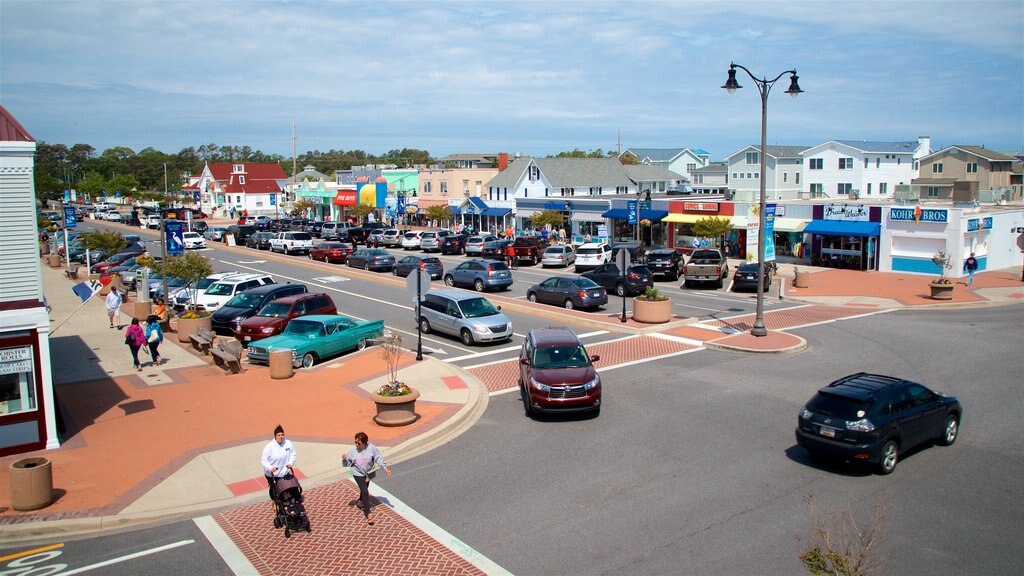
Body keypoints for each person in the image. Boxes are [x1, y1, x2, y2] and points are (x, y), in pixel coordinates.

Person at [343, 432, 391, 525]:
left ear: (364, 443)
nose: (356, 445)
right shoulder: (352, 450)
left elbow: (378, 458)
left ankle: (359, 501)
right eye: (355, 442)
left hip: (369, 473)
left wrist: (385, 468)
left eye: (359, 443)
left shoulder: (372, 448)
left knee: (364, 489)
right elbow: (346, 464)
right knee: (365, 491)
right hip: (357, 473)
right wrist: (344, 459)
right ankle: (368, 514)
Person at [261, 424, 296, 500]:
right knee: (275, 489)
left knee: (288, 487)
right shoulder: (269, 447)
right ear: (275, 436)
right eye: (279, 435)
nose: (281, 437)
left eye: (282, 435)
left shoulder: (288, 443)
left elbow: (292, 454)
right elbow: (264, 460)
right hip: (272, 473)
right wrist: (270, 468)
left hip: (284, 471)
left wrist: (290, 463)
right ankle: (275, 501)